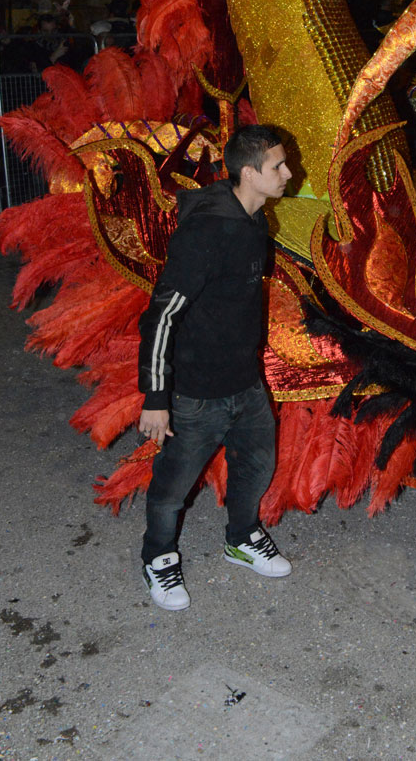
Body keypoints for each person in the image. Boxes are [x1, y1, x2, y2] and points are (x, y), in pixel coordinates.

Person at [137, 124, 293, 611]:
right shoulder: (207, 232)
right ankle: (158, 557)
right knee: (172, 489)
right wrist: (157, 397)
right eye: (278, 167)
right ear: (249, 174)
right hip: (196, 391)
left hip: (244, 382)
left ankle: (241, 537)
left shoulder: (255, 218)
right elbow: (161, 315)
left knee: (257, 464)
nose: (290, 173)